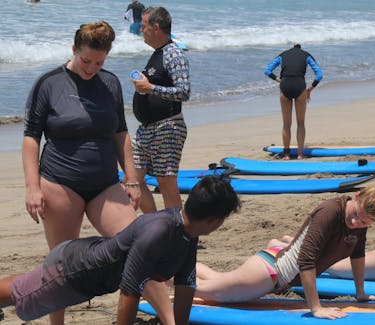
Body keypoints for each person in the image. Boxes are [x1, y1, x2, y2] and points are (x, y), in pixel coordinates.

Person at [22, 21, 143, 324]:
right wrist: (32, 187)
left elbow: (120, 133)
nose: (91, 67)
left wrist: (131, 180)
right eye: (86, 60)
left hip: (105, 185)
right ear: (74, 49)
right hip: (60, 185)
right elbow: (31, 138)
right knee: (60, 265)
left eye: (99, 62)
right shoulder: (48, 84)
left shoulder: (110, 83)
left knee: (139, 250)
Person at [0, 176, 241, 325]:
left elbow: (186, 285)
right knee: (22, 296)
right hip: (75, 270)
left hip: (92, 276)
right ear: (213, 219)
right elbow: (130, 291)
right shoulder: (158, 231)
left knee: (23, 289)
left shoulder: (188, 234)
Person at [195, 182, 375, 320]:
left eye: (364, 222)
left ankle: (185, 268)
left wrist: (361, 293)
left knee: (216, 280)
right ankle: (165, 276)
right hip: (270, 272)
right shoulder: (330, 211)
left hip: (274, 265)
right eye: (356, 215)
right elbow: (306, 260)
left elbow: (358, 255)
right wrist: (316, 308)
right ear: (357, 196)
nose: (356, 223)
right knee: (210, 293)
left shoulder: (360, 224)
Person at [131, 6, 191, 214]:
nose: (141, 31)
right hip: (147, 128)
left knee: (166, 183)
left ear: (156, 27)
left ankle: (176, 233)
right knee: (133, 179)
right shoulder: (158, 54)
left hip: (168, 126)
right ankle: (155, 226)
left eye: (144, 26)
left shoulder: (174, 53)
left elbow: (184, 92)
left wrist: (150, 88)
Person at [264, 44, 323, 160]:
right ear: (300, 48)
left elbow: (267, 71)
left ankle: (286, 154)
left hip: (285, 86)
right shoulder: (307, 55)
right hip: (300, 86)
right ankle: (300, 154)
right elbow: (319, 75)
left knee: (286, 124)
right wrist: (310, 89)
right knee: (300, 123)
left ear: (292, 47)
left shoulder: (282, 55)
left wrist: (280, 80)